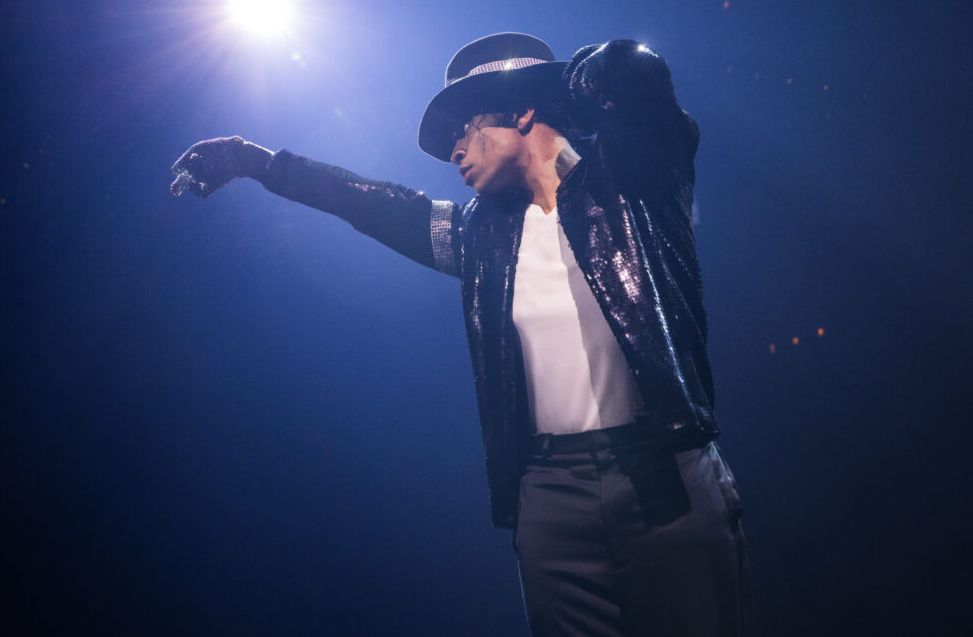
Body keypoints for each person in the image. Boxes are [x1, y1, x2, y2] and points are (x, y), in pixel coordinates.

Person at [171, 32, 750, 636]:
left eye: (465, 129)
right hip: (550, 496)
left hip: (665, 475)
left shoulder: (635, 183)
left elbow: (644, 87)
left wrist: (592, 75)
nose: (454, 152)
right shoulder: (483, 237)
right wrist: (255, 162)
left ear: (522, 111)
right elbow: (373, 204)